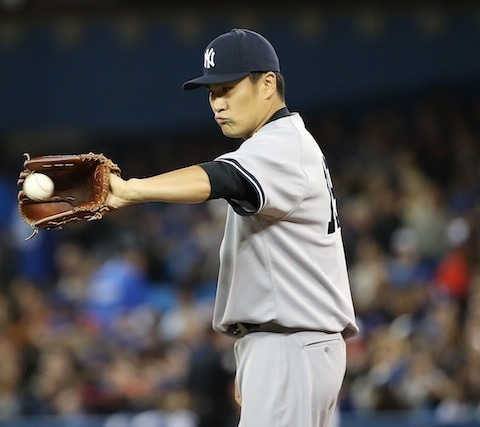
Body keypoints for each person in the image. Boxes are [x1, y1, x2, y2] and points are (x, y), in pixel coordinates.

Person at [106, 28, 359, 427]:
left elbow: (224, 178)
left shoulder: (281, 143)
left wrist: (132, 190)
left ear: (268, 84)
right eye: (211, 93)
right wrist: (250, 355)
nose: (217, 104)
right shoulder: (282, 143)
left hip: (290, 346)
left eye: (227, 88)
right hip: (288, 345)